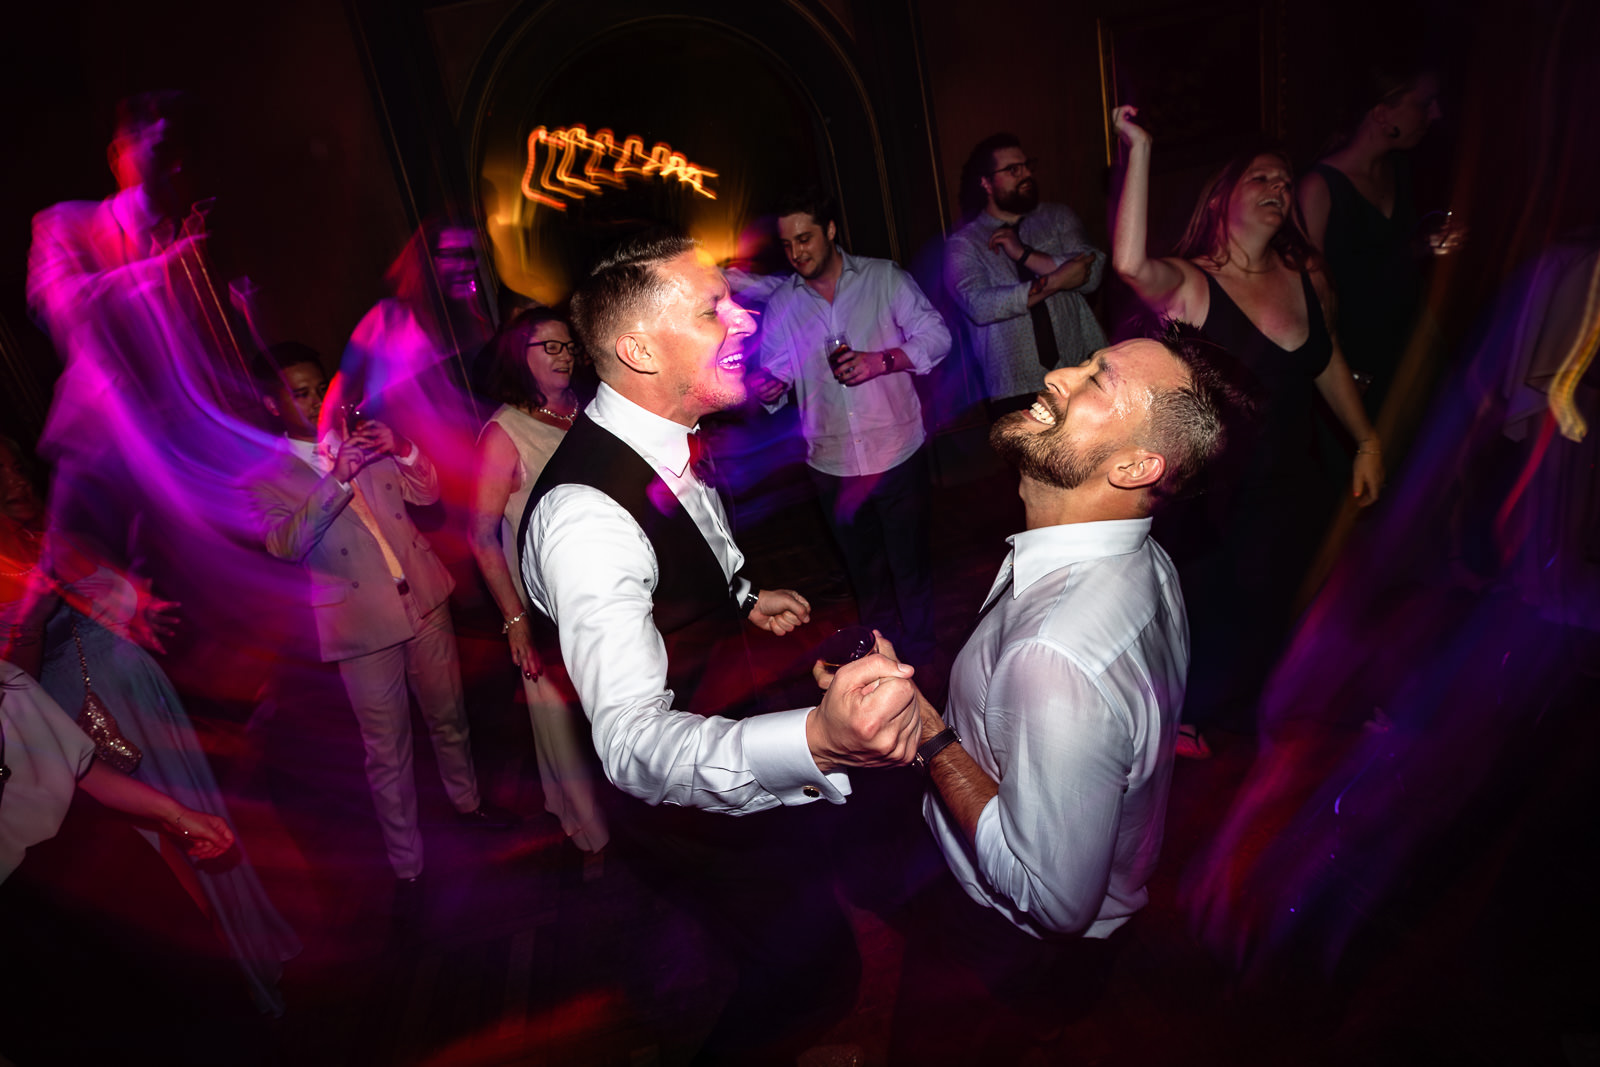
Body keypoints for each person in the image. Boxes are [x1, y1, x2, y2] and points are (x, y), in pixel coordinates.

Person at [520, 230, 923, 1062]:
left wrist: (742, 596)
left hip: (732, 720)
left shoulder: (664, 435)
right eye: (714, 307)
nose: (744, 317)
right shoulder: (585, 519)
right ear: (637, 348)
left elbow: (686, 548)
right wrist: (815, 739)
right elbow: (632, 745)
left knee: (809, 952)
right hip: (694, 811)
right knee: (807, 976)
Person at [862, 333, 1243, 1061]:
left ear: (1137, 466)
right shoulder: (1147, 552)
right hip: (1092, 914)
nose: (1058, 374)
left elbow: (1053, 901)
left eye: (1097, 380)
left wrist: (930, 733)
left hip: (1004, 936)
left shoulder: (1055, 657)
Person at [1111, 105, 1384, 755]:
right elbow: (1128, 264)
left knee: (1306, 596)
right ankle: (1197, 712)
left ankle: (1309, 704)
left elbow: (1326, 361)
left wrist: (1367, 439)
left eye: (1286, 182)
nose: (1279, 189)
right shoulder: (1194, 283)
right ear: (1223, 197)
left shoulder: (1300, 280)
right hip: (1215, 493)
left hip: (1291, 474)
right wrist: (1140, 149)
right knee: (1213, 606)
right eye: (1261, 178)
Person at [0, 435, 301, 1016]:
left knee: (194, 818)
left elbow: (116, 592)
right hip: (77, 718)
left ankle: (238, 971)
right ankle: (211, 990)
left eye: (15, 466)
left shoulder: (39, 535)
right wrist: (37, 621)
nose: (16, 479)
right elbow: (16, 692)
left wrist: (133, 603)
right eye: (2, 472)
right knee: (155, 859)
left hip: (133, 691)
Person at [246, 344, 516, 916]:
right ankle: (408, 868)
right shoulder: (264, 477)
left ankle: (468, 807)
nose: (318, 401)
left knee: (449, 716)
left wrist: (406, 448)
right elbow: (284, 545)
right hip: (360, 623)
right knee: (387, 751)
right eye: (301, 393)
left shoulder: (364, 436)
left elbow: (429, 494)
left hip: (424, 598)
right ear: (274, 404)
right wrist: (336, 482)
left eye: (322, 388)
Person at [748, 187, 951, 670]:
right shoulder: (782, 304)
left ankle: (926, 665)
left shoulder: (883, 278)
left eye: (806, 239)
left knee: (911, 567)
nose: (796, 253)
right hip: (832, 462)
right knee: (865, 575)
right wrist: (768, 389)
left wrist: (882, 361)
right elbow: (774, 373)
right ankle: (877, 667)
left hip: (897, 449)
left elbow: (937, 337)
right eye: (788, 245)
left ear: (831, 230)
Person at [468, 308, 607, 856]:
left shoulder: (591, 411)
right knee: (567, 727)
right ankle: (589, 831)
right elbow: (480, 535)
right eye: (549, 347)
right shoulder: (505, 433)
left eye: (568, 345)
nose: (564, 355)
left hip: (610, 586)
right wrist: (516, 621)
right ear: (518, 358)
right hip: (550, 606)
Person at [1297, 67, 1455, 419]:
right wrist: (1345, 372)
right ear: (1383, 115)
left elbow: (1392, 265)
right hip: (1362, 368)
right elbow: (1312, 297)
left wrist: (1426, 247)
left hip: (1413, 354)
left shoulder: (1401, 170)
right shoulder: (1319, 188)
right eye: (1424, 103)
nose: (1435, 113)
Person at [944, 132, 1108, 418]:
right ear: (986, 182)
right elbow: (980, 305)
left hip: (1082, 370)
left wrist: (1024, 254)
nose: (1026, 175)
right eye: (1013, 170)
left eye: (1027, 166)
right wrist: (1057, 279)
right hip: (1014, 388)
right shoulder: (964, 243)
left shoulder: (1057, 218)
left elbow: (1091, 274)